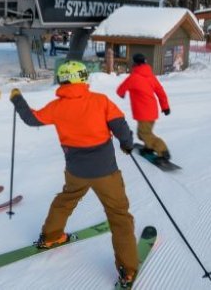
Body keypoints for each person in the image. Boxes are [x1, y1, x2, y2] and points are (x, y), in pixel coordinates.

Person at [10, 60, 139, 288]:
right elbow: (119, 126)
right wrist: (127, 144)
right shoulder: (100, 101)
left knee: (66, 200)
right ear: (82, 77)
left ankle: (50, 236)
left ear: (63, 80)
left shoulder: (56, 106)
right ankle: (127, 270)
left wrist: (18, 100)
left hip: (75, 171)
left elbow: (31, 119)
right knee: (119, 216)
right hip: (105, 172)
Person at [116, 53, 171, 162]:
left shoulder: (133, 77)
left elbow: (120, 89)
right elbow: (160, 92)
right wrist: (165, 107)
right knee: (142, 133)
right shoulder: (151, 76)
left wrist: (122, 94)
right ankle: (148, 148)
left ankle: (162, 150)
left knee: (144, 134)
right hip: (152, 111)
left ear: (135, 64)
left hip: (143, 113)